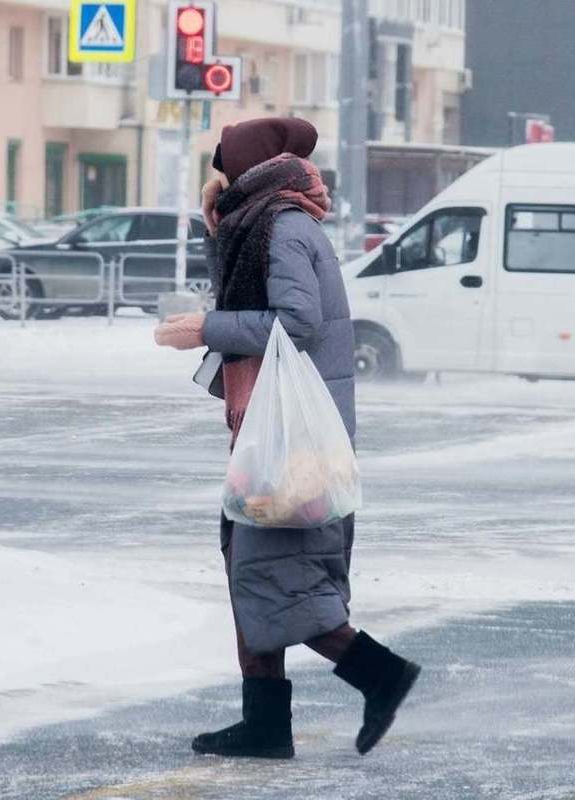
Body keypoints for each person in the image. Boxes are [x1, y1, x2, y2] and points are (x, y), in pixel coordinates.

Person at [153, 117, 421, 760]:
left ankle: (380, 674)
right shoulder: (267, 220)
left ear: (247, 168)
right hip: (274, 427)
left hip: (292, 437)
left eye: (223, 170)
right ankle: (265, 724)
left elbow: (296, 322)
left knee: (278, 577)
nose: (217, 181)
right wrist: (220, 224)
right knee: (254, 572)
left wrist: (207, 327)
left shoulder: (281, 226)